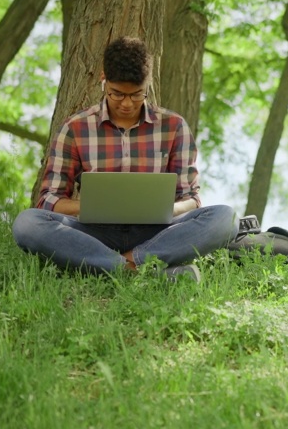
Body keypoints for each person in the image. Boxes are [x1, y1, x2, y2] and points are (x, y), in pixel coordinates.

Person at [12, 36, 236, 282]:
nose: (127, 103)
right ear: (103, 79)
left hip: (157, 232)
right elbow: (49, 200)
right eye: (117, 94)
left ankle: (118, 267)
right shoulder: (75, 128)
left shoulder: (174, 126)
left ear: (148, 84)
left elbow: (191, 199)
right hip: (94, 232)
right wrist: (95, 211)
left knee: (226, 218)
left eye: (137, 94)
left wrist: (161, 210)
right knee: (28, 223)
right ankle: (141, 270)